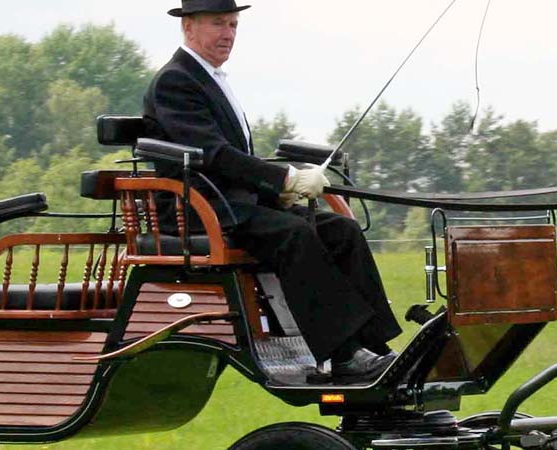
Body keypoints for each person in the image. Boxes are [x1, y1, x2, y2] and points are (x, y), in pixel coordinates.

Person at [142, 0, 400, 379]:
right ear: (188, 27)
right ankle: (343, 356)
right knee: (294, 234)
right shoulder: (175, 81)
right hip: (199, 209)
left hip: (234, 204)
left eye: (233, 24)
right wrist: (286, 180)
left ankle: (375, 346)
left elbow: (229, 157)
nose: (228, 34)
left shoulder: (209, 78)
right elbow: (213, 154)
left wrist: (278, 191)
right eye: (218, 24)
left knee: (339, 230)